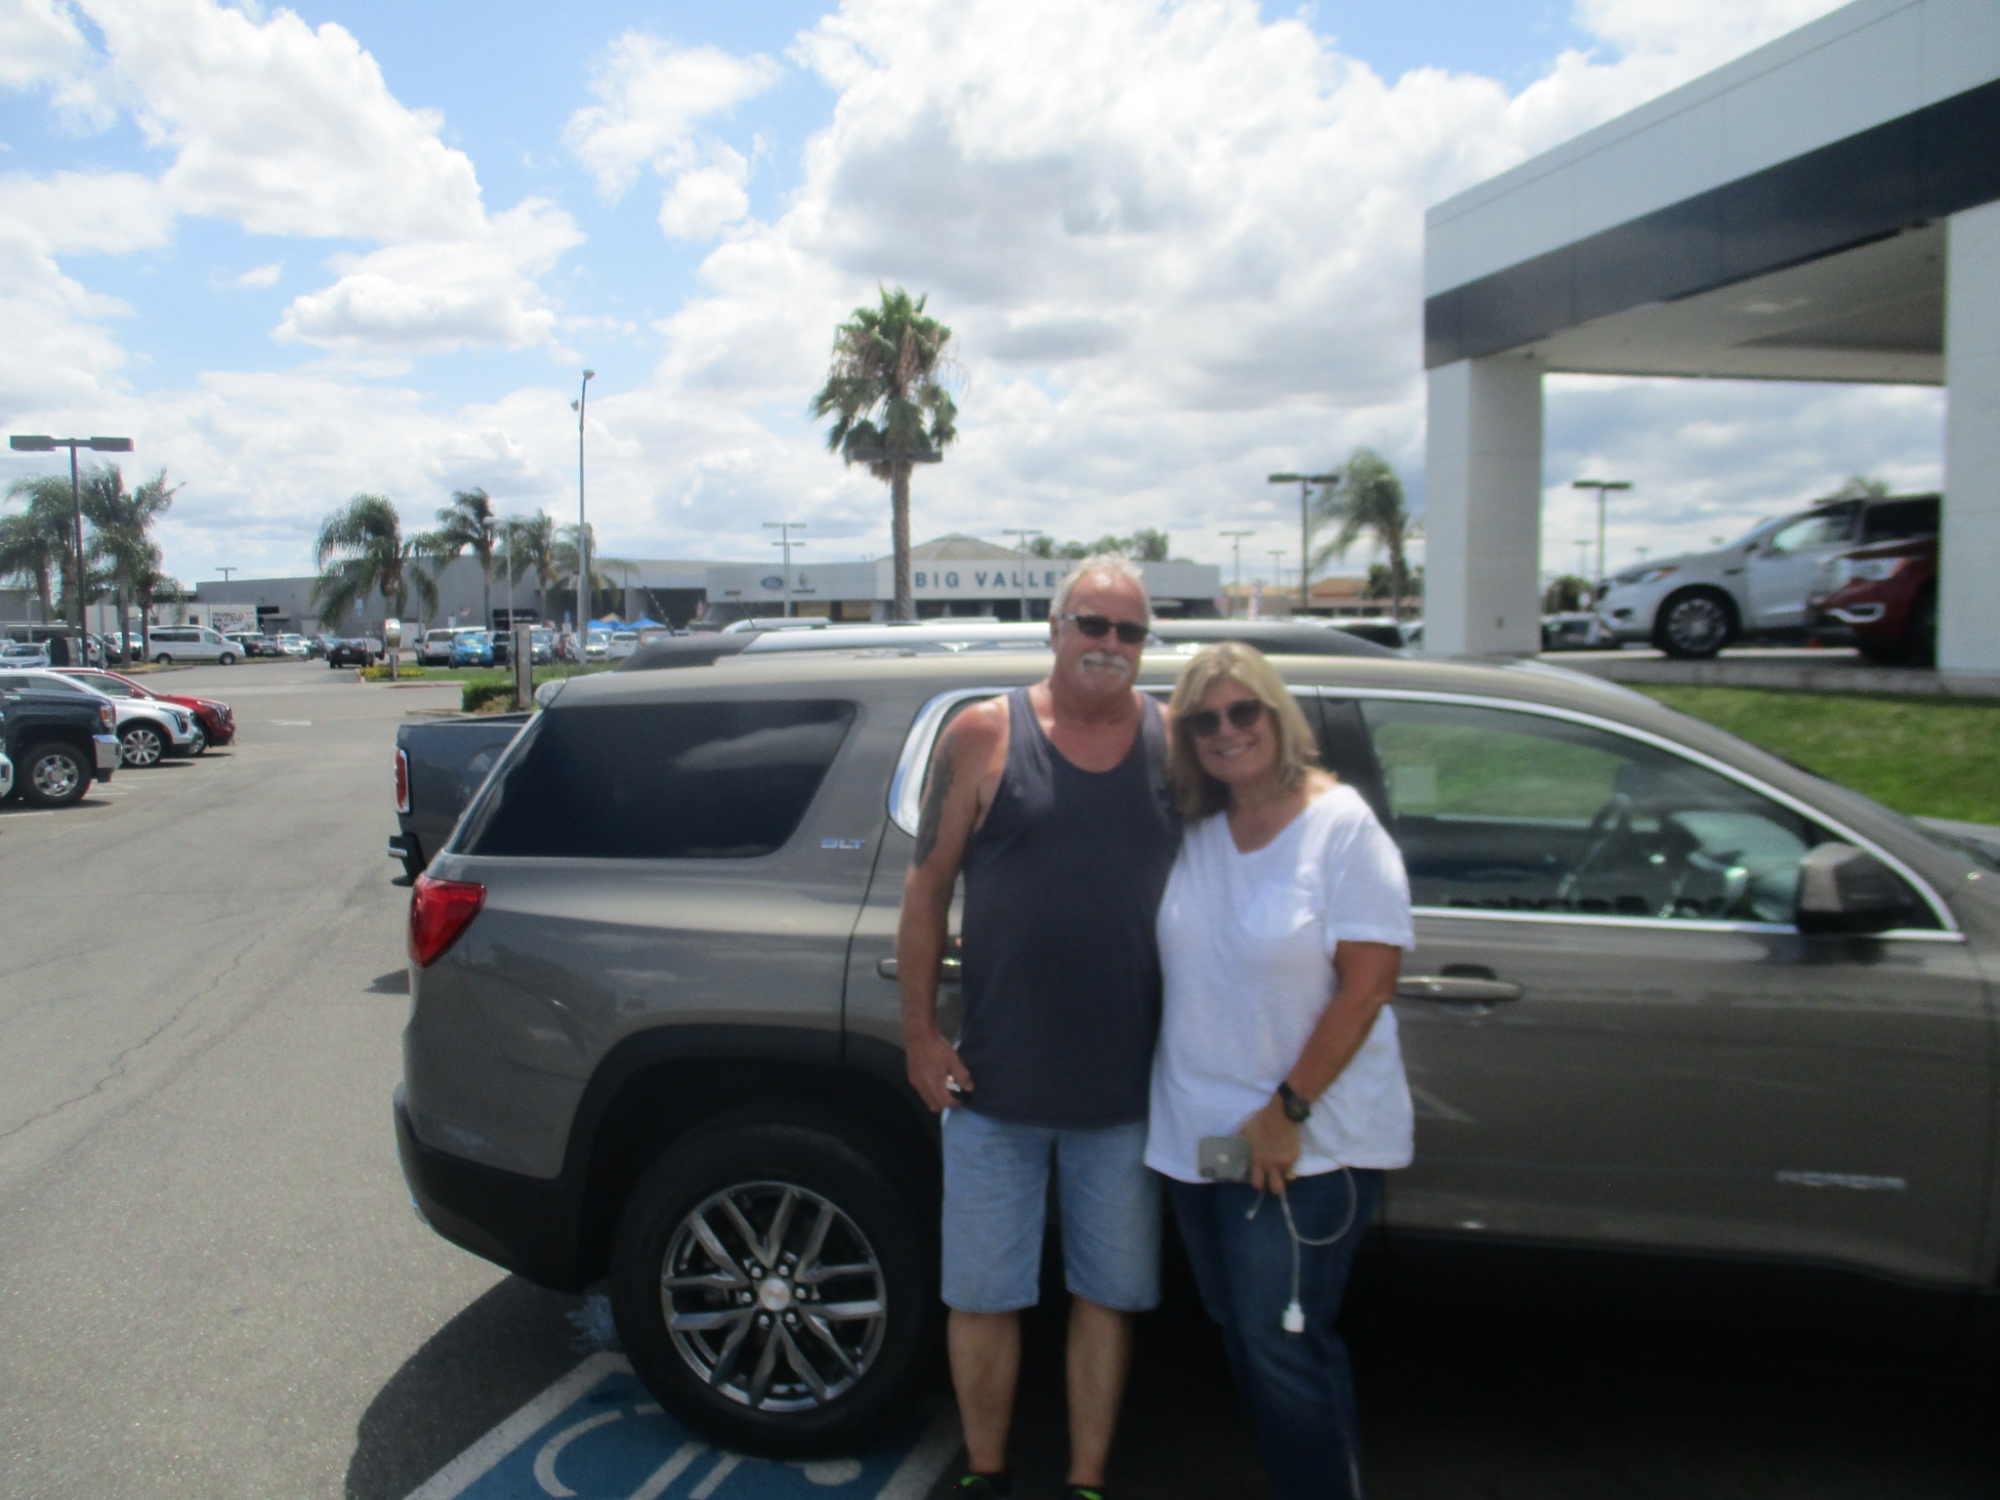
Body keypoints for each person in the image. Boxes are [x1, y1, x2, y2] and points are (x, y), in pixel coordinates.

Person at [899, 554, 1180, 1500]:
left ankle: (1086, 1479)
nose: (1109, 643)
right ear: (1054, 628)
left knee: (1109, 1295)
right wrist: (920, 1037)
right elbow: (926, 888)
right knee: (983, 1296)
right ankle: (986, 1472)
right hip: (993, 1086)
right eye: (1091, 623)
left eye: (1129, 630)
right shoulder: (984, 734)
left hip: (1128, 1093)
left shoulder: (1171, 741)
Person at [1145, 643, 1413, 1500]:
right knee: (1243, 1330)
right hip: (1201, 1138)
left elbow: (1369, 986)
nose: (1226, 731)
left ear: (1276, 714)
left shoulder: (1341, 827)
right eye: (1204, 720)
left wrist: (1286, 1110)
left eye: (1243, 711)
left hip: (1301, 1144)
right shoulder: (1196, 829)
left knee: (1283, 1343)